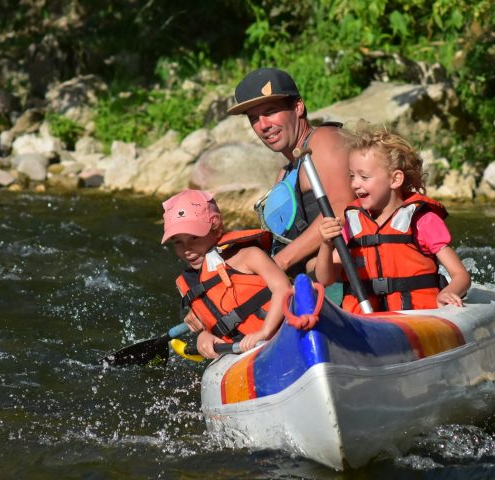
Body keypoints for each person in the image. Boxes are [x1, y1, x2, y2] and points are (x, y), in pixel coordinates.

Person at [315, 126, 471, 313]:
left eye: (364, 176)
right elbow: (325, 279)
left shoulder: (422, 220)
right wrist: (326, 244)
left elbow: (461, 275)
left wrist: (448, 293)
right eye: (352, 176)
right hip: (367, 321)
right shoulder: (354, 223)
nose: (355, 184)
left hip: (416, 319)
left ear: (395, 179)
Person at [227, 67, 354, 276]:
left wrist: (278, 264)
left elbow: (342, 208)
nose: (263, 126)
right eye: (254, 118)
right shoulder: (284, 174)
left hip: (343, 284)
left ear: (297, 107)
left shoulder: (325, 140)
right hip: (305, 285)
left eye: (270, 112)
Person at [161, 189, 290, 359]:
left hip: (284, 332)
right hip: (243, 353)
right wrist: (203, 337)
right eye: (178, 242)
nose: (187, 250)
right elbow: (211, 324)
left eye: (194, 238)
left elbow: (283, 288)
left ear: (216, 227)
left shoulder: (248, 255)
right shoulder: (192, 284)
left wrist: (265, 332)